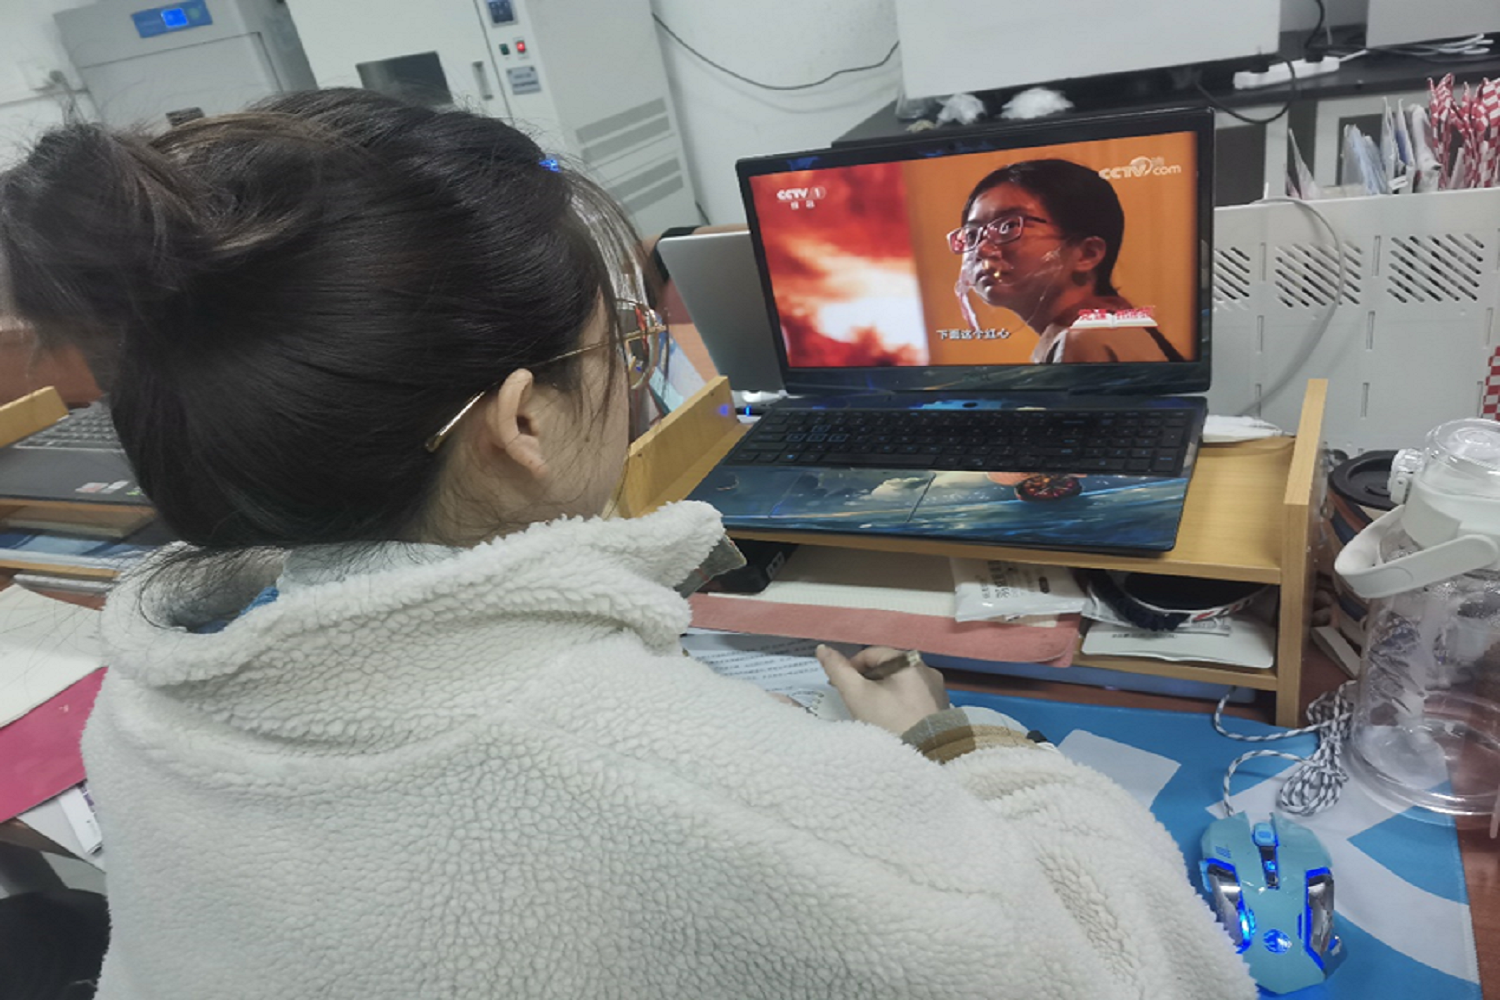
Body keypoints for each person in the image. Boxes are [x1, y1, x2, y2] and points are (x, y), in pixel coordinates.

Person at [0, 91, 1253, 1000]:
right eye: (627, 350)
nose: (632, 381)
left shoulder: (140, 712)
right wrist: (959, 742)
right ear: (522, 423)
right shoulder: (713, 797)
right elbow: (1145, 970)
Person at [948, 158, 1185, 364]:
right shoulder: (1096, 329)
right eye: (971, 234)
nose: (982, 249)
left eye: (1008, 226)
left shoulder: (1086, 337)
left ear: (1087, 254)